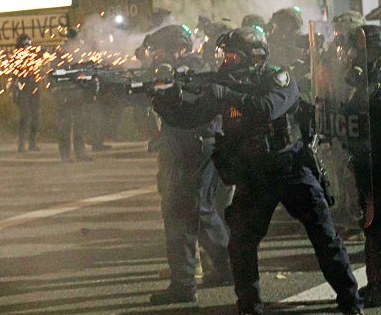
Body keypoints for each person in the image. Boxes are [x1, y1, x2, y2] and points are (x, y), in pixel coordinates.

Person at [152, 26, 363, 315]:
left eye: (233, 57)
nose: (226, 62)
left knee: (325, 238)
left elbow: (267, 107)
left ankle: (350, 300)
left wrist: (226, 92)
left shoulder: (278, 77)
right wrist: (167, 100)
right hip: (253, 175)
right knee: (241, 244)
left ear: (254, 57)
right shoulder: (223, 85)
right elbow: (191, 116)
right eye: (225, 57)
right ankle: (249, 306)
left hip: (290, 168)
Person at [135, 24, 234, 306]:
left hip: (195, 149)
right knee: (191, 212)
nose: (156, 56)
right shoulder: (168, 72)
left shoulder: (196, 70)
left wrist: (167, 80)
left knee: (189, 213)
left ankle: (186, 282)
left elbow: (194, 104)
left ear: (179, 48)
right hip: (177, 149)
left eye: (162, 50)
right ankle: (219, 270)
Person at [342, 24, 381, 308]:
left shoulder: (375, 78)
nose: (352, 54)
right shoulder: (365, 77)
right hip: (367, 159)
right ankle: (375, 284)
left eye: (357, 48)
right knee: (371, 225)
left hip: (378, 159)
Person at [51, 28, 92, 163]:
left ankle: (80, 153)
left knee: (80, 124)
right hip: (64, 94)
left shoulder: (79, 53)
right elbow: (56, 74)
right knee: (65, 125)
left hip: (77, 93)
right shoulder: (60, 54)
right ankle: (65, 155)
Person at [12, 34, 41, 153]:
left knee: (35, 116)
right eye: (25, 44)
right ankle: (21, 144)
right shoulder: (16, 58)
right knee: (25, 117)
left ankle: (32, 142)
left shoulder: (32, 56)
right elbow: (14, 77)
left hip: (33, 88)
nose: (27, 47)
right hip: (22, 90)